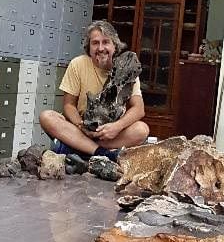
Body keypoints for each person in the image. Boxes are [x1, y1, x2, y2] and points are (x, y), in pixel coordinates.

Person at [40, 20, 149, 159]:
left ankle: (79, 149)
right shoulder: (77, 64)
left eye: (106, 42)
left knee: (142, 130)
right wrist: (81, 126)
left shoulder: (128, 69)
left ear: (114, 45)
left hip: (110, 134)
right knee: (46, 117)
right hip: (81, 129)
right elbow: (69, 105)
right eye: (95, 43)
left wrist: (116, 127)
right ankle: (103, 154)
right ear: (89, 47)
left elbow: (139, 109)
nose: (101, 48)